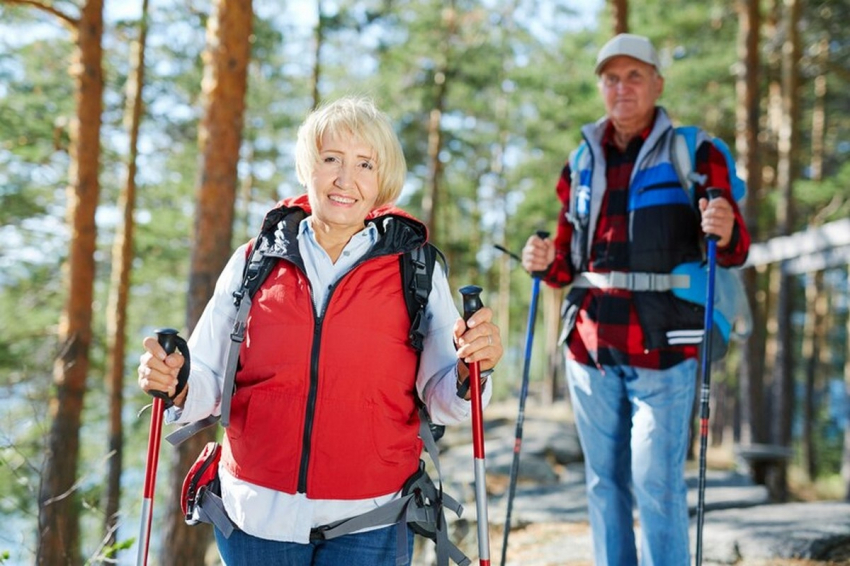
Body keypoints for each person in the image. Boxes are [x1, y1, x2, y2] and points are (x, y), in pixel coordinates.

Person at [137, 96, 504, 566]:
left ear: (381, 180)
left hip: (371, 517)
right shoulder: (255, 260)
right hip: (256, 518)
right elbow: (206, 378)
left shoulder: (415, 268)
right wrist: (178, 380)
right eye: (331, 158)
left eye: (365, 164)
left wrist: (472, 369)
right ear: (309, 167)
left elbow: (444, 397)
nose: (345, 179)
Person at [521, 34, 750, 565]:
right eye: (611, 78)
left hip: (665, 344)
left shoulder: (697, 151)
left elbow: (733, 249)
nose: (621, 88)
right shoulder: (580, 160)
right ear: (601, 86)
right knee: (604, 482)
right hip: (589, 346)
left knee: (656, 480)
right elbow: (566, 266)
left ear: (657, 84)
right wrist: (541, 259)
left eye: (634, 76)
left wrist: (726, 223)